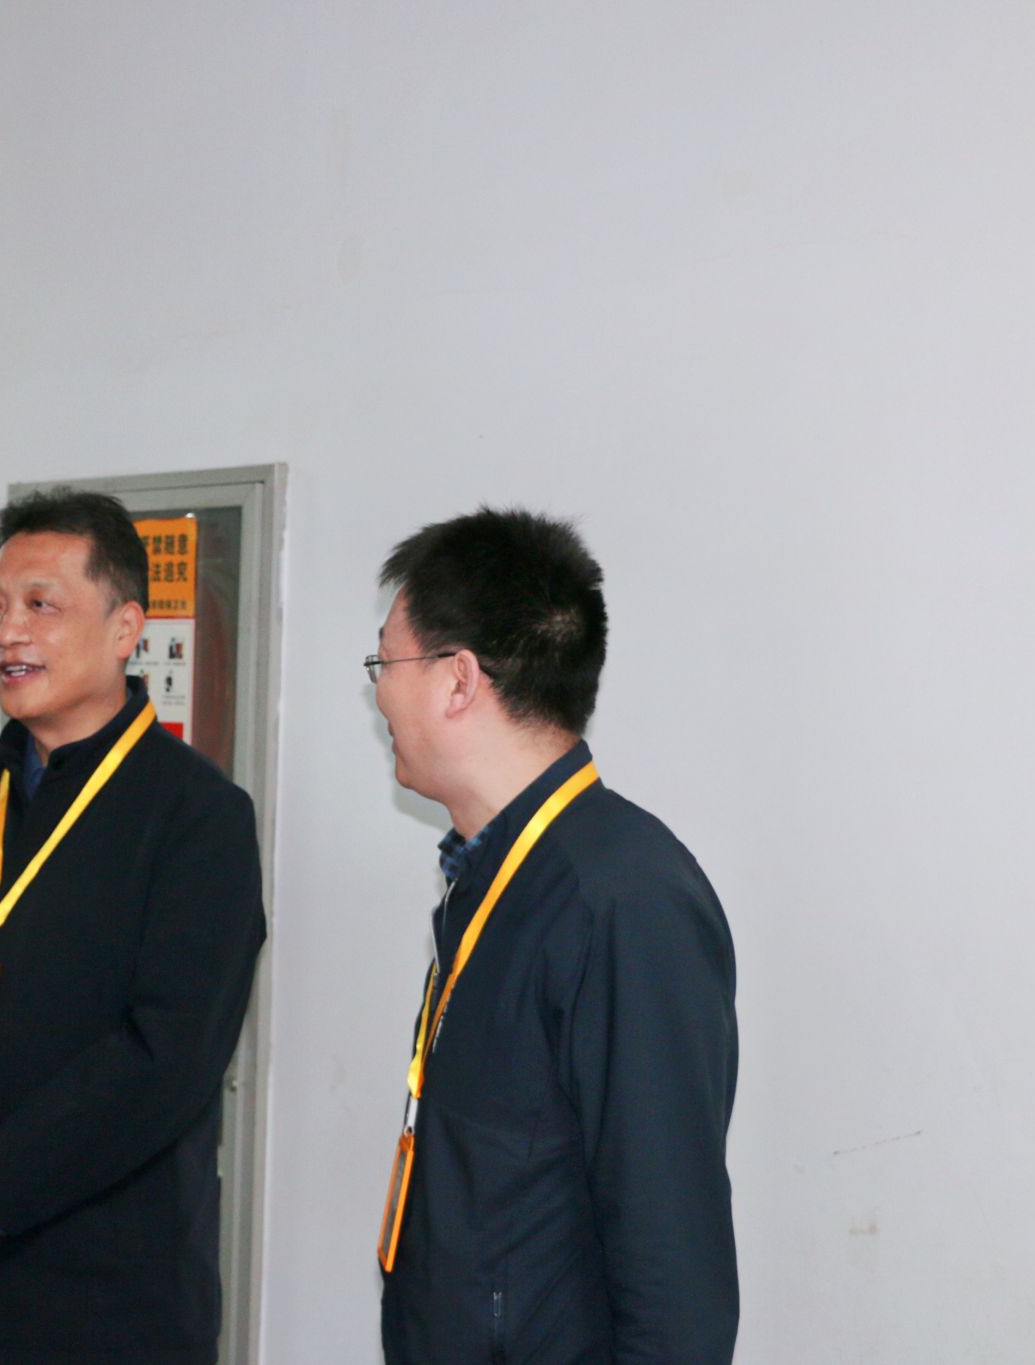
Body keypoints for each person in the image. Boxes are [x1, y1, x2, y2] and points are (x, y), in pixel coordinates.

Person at [0, 490, 265, 1365]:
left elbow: (168, 1055)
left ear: (125, 629)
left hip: (102, 1305)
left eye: (41, 604)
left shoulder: (197, 815)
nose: (6, 632)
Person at [367, 508, 738, 1362]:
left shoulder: (622, 902)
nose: (379, 690)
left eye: (385, 661)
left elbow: (673, 1270)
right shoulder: (495, 873)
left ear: (458, 680)